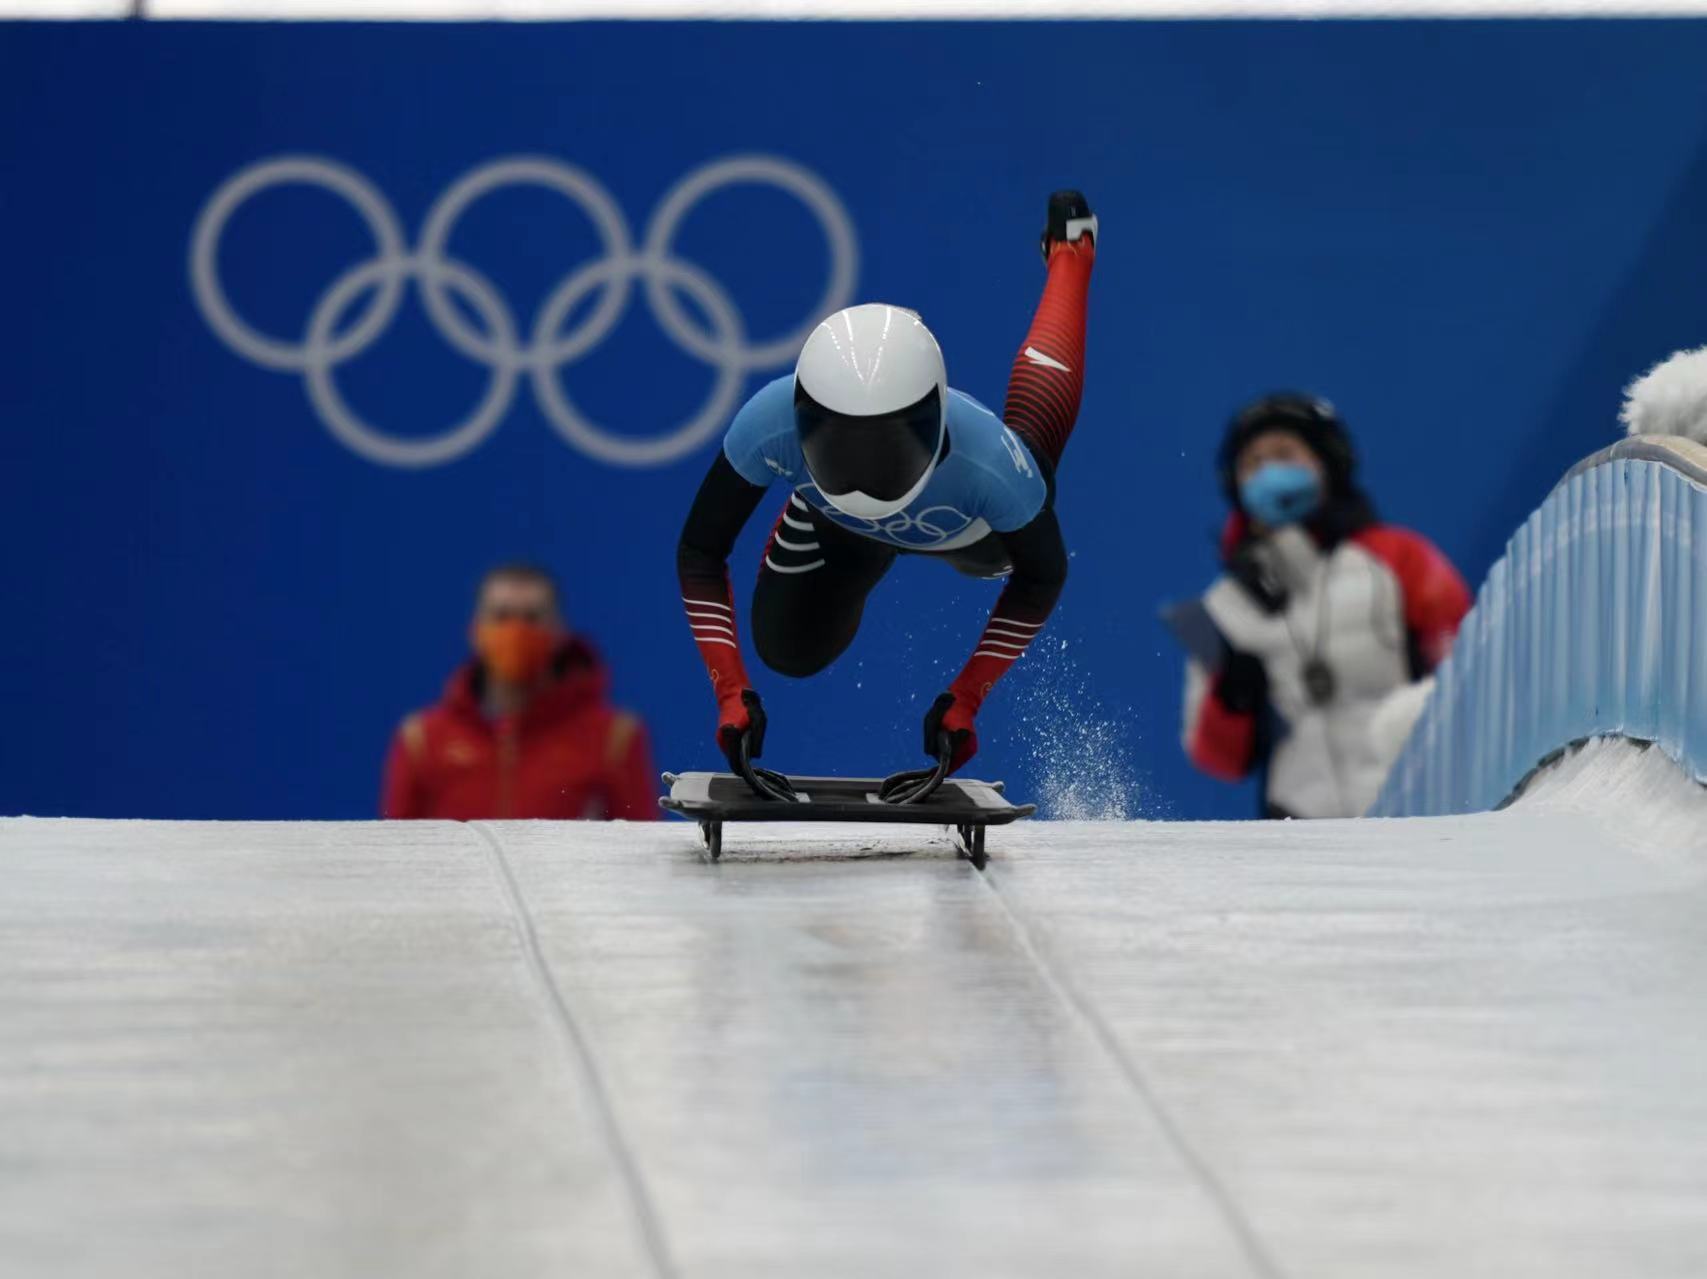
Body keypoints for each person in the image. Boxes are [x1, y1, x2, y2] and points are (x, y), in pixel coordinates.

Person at [676, 191, 1098, 780]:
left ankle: (1071, 253)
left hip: (966, 527)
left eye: (888, 447)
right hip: (843, 527)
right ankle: (840, 523)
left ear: (936, 418)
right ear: (801, 414)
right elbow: (700, 551)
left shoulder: (991, 468)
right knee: (788, 652)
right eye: (837, 444)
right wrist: (730, 689)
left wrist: (968, 695)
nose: (867, 475)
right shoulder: (767, 423)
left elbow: (1044, 574)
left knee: (1031, 467)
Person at [1175, 394, 1472, 818]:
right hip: (1304, 844)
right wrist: (1232, 703)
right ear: (1236, 487)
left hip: (1422, 812)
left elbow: (1468, 670)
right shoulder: (1223, 607)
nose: (1268, 472)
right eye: (1253, 463)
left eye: (1284, 454)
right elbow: (1213, 757)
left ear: (1327, 464)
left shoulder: (1400, 558)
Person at [381, 563, 656, 820]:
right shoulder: (422, 741)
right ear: (476, 631)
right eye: (501, 616)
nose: (516, 630)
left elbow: (642, 859)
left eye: (532, 617)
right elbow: (400, 857)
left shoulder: (614, 739)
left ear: (559, 632)